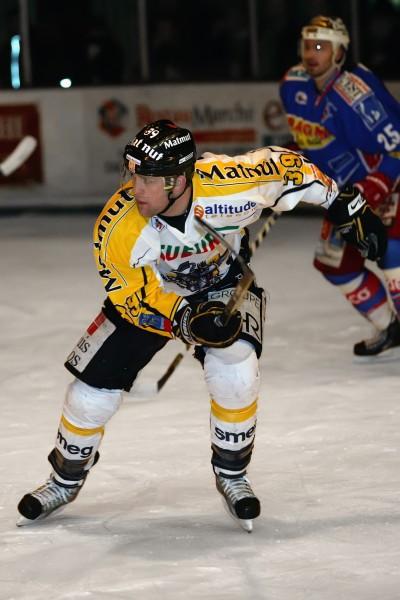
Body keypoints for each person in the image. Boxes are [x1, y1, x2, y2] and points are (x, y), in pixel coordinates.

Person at [16, 119, 386, 532]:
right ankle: (64, 480)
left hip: (223, 285)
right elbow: (130, 298)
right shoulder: (117, 226)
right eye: (133, 175)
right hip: (154, 296)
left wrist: (347, 206)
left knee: (238, 371)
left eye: (148, 180)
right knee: (88, 397)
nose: (136, 188)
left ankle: (232, 474)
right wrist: (185, 320)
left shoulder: (230, 184)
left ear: (177, 181)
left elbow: (290, 167)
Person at [280, 15, 400, 358]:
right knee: (335, 264)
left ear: (340, 52)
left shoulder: (357, 93)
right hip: (344, 193)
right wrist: (297, 154)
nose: (311, 53)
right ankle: (389, 327)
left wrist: (377, 183)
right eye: (308, 45)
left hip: (388, 182)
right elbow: (313, 137)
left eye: (321, 46)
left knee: (392, 254)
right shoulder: (292, 84)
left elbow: (397, 146)